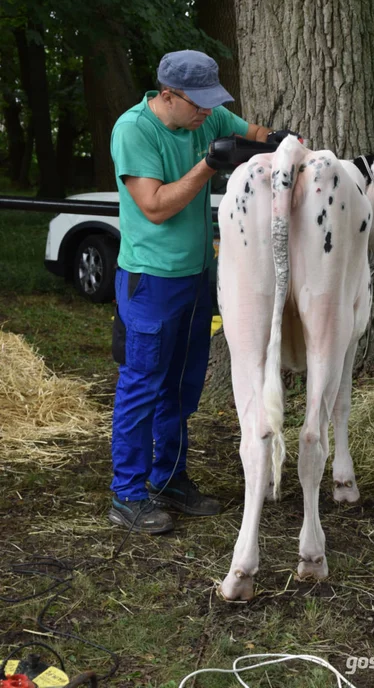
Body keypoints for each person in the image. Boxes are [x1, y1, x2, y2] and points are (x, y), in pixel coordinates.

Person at [108, 49, 273, 534]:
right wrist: (208, 166)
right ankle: (127, 494)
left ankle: (170, 479)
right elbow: (155, 206)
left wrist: (279, 142)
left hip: (200, 275)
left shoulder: (209, 113)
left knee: (182, 384)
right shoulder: (134, 129)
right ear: (167, 95)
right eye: (197, 105)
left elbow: (254, 134)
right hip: (151, 280)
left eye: (211, 104)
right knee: (143, 385)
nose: (207, 114)